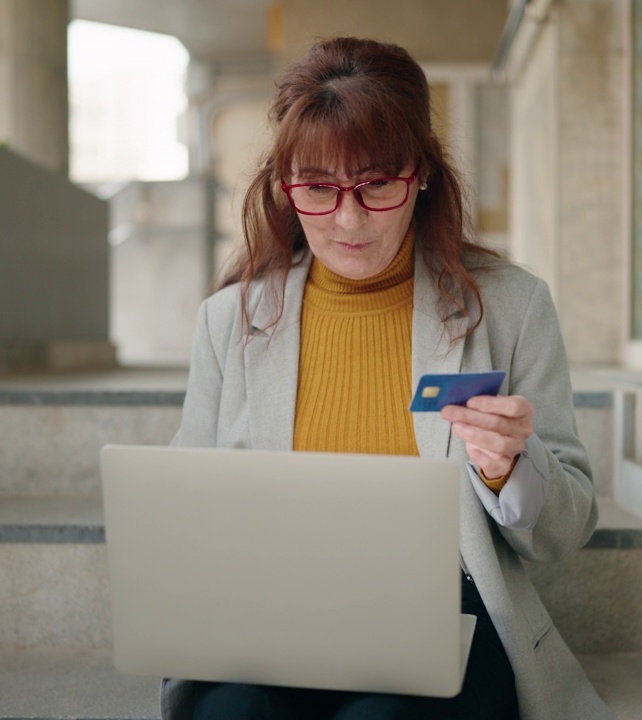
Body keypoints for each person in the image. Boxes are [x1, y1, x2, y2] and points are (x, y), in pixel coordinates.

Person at [166, 36, 614, 720]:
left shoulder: (512, 306)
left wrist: (510, 468)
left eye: (377, 184)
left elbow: (567, 526)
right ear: (286, 187)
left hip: (440, 612)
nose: (348, 220)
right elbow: (181, 512)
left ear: (423, 171)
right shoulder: (231, 321)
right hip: (274, 615)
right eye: (318, 188)